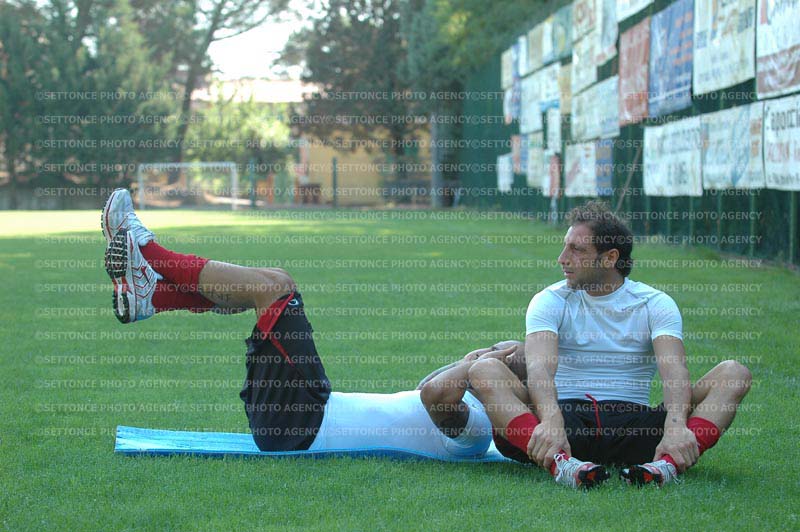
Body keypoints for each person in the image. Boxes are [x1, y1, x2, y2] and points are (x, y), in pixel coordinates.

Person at [101, 188, 504, 461]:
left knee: (273, 290)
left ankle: (148, 252)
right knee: (275, 281)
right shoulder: (470, 408)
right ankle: (154, 297)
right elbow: (428, 387)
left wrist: (479, 366)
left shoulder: (478, 433)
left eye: (503, 358)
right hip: (305, 414)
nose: (494, 353)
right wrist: (476, 362)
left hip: (302, 423)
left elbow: (435, 393)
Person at [465, 201, 752, 488]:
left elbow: (674, 370)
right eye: (565, 247)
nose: (562, 258)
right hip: (565, 424)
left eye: (577, 250)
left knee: (734, 373)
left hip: (637, 428)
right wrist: (551, 421)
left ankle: (665, 464)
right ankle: (561, 464)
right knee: (484, 369)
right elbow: (540, 367)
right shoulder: (550, 300)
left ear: (610, 257)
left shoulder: (654, 303)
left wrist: (675, 425)